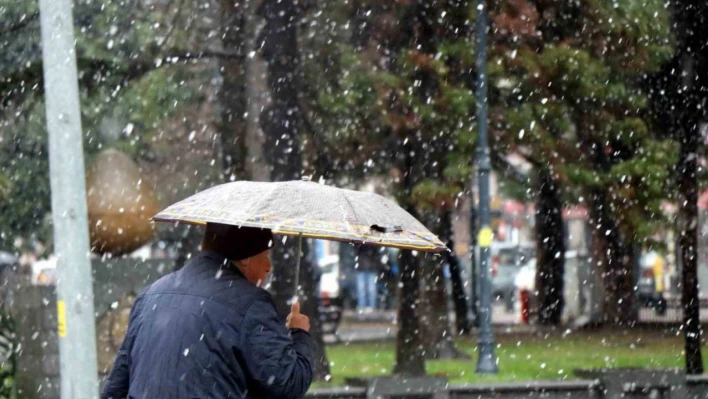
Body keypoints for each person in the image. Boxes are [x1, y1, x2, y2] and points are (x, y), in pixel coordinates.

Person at [102, 223, 315, 399]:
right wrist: (299, 334)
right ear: (245, 258)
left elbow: (115, 389)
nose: (268, 266)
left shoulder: (150, 295)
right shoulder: (251, 304)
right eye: (266, 254)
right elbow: (286, 384)